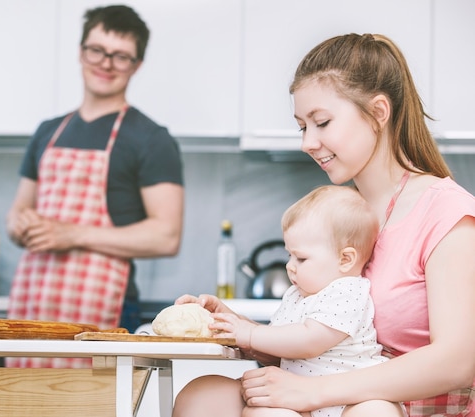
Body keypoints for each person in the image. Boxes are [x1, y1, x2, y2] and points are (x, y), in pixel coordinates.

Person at [172, 33, 475, 417]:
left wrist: (313, 393)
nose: (307, 142)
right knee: (202, 395)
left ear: (379, 112)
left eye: (322, 122)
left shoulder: (447, 213)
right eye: (302, 126)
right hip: (326, 392)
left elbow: (457, 361)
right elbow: (324, 340)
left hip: (394, 406)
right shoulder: (341, 212)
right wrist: (237, 327)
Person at [5, 4, 184, 368]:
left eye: (120, 57)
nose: (106, 63)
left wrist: (71, 235)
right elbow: (17, 215)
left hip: (106, 308)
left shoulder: (151, 139)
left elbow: (166, 236)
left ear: (136, 65)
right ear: (81, 51)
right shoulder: (47, 131)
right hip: (33, 303)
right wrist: (22, 225)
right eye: (97, 50)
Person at [182, 185, 404, 417]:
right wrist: (229, 321)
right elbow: (277, 341)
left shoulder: (347, 290)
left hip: (350, 400)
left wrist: (248, 333)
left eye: (301, 258)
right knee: (258, 412)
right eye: (290, 255)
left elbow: (310, 340)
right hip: (293, 396)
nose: (290, 265)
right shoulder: (297, 295)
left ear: (345, 259)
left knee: (377, 411)